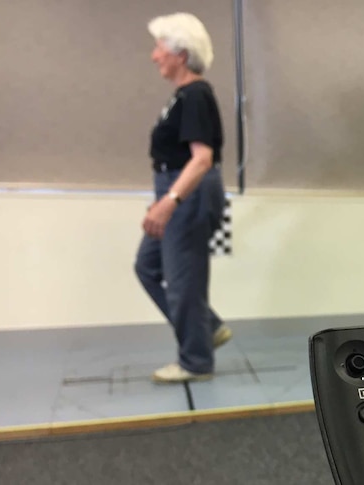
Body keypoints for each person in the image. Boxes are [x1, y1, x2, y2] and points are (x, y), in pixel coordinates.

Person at [135, 12, 230, 383]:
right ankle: (209, 327)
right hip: (176, 188)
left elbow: (202, 158)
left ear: (181, 53)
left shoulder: (195, 95)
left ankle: (195, 361)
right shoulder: (182, 98)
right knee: (148, 266)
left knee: (183, 280)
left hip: (189, 191)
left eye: (159, 47)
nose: (154, 55)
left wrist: (169, 200)